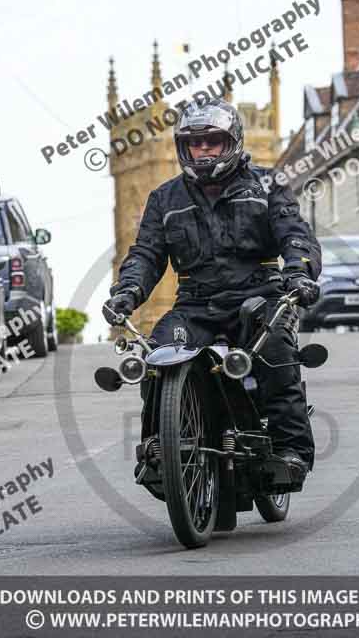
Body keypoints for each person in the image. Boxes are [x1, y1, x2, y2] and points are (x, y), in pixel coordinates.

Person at [102, 97, 322, 484]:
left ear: (231, 141)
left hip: (259, 295)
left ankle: (291, 450)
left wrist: (300, 274)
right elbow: (147, 253)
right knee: (159, 355)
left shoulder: (268, 185)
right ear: (183, 147)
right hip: (195, 304)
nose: (203, 150)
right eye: (194, 143)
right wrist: (128, 291)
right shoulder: (164, 198)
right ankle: (158, 451)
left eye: (212, 142)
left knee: (275, 349)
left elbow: (295, 235)